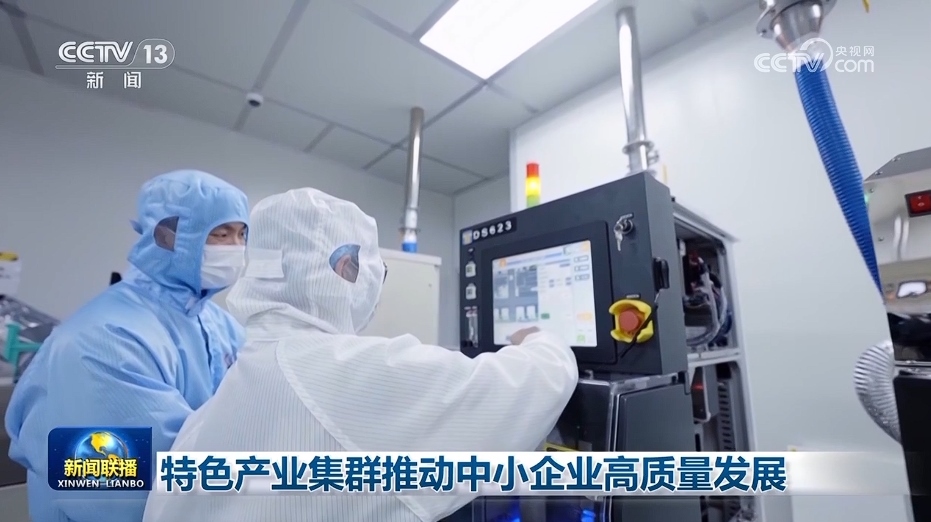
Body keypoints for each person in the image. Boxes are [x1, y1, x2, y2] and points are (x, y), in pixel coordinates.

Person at [142, 188, 579, 522]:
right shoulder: (338, 372)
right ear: (345, 268)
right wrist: (541, 339)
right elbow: (528, 385)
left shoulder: (229, 392)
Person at [5, 169, 250, 522]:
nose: (235, 249)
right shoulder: (103, 338)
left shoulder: (221, 325)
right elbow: (114, 486)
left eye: (242, 235)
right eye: (221, 234)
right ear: (167, 236)